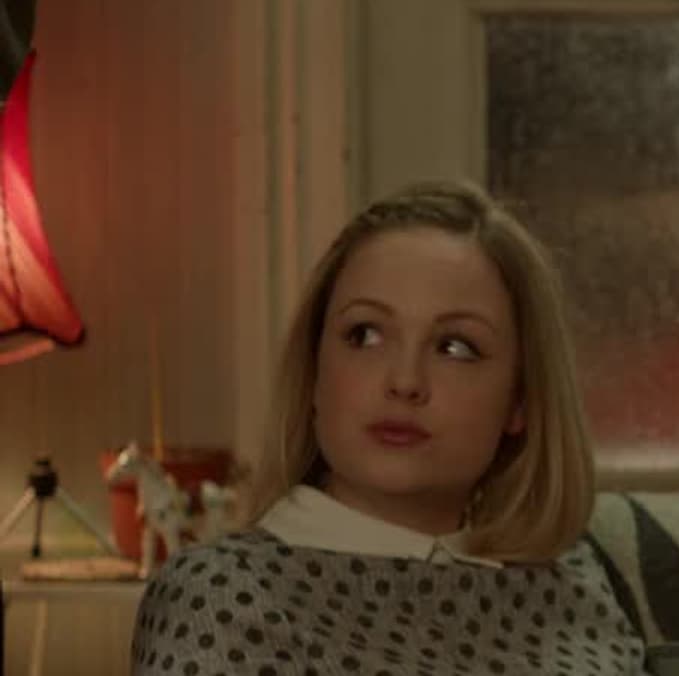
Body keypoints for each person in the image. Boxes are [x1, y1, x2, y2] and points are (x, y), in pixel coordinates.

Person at [131, 181, 646, 674]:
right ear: (314, 373)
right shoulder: (224, 593)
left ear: (521, 400)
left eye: (455, 347)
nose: (405, 382)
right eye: (365, 335)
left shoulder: (572, 577)